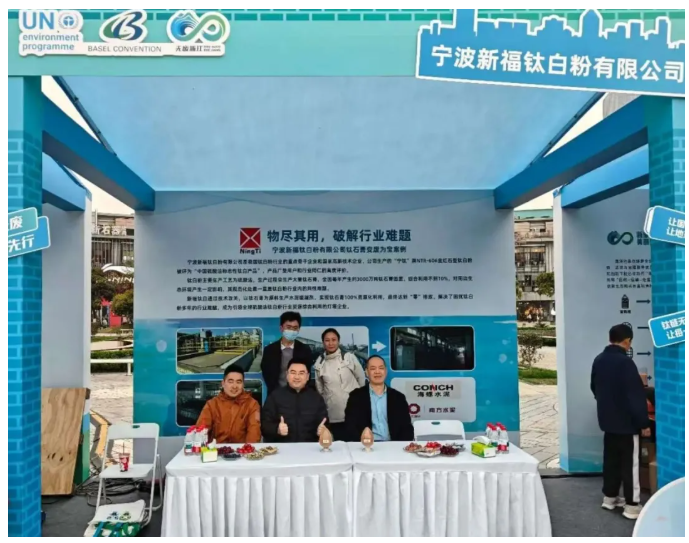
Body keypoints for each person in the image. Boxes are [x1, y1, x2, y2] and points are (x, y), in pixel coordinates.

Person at [591, 324, 650, 520]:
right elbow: (635, 396)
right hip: (627, 425)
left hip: (607, 422)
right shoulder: (626, 363)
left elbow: (594, 387)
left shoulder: (599, 360)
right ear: (627, 341)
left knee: (611, 462)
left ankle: (610, 498)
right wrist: (643, 423)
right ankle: (632, 505)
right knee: (630, 465)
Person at [344, 355, 414, 442]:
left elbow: (407, 428)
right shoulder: (356, 397)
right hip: (366, 446)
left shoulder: (398, 397)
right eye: (373, 369)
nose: (377, 372)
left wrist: (398, 446)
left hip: (393, 445)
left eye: (381, 368)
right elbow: (350, 427)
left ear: (386, 371)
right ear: (366, 372)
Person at [314, 328, 366, 441]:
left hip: (354, 412)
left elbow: (361, 379)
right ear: (323, 343)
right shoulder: (319, 363)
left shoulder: (349, 357)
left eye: (334, 340)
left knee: (355, 445)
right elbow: (320, 390)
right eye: (327, 340)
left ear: (338, 341)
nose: (331, 343)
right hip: (333, 415)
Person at [261, 359, 329, 443]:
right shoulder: (275, 397)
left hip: (310, 447)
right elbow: (264, 425)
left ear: (307, 376)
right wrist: (277, 429)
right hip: (281, 447)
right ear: (287, 375)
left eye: (301, 373)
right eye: (293, 372)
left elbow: (325, 423)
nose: (297, 377)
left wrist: (322, 431)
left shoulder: (316, 398)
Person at [196, 364, 261, 444]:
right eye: (230, 381)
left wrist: (248, 450)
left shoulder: (252, 404)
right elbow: (201, 430)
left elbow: (254, 432)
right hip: (216, 449)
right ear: (223, 383)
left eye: (238, 382)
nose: (234, 386)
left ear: (243, 384)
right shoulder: (212, 404)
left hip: (242, 450)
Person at [261, 311, 313, 396]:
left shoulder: (305, 350)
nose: (292, 330)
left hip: (299, 396)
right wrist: (279, 394)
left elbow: (307, 375)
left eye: (295, 328)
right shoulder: (269, 350)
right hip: (276, 396)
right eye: (288, 327)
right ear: (281, 328)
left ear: (298, 329)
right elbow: (267, 375)